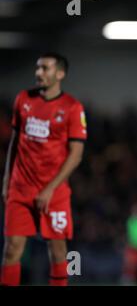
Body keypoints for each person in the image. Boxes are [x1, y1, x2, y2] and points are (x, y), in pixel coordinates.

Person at [1, 53, 87, 286]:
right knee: (11, 250)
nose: (39, 73)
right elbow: (15, 143)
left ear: (60, 74)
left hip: (55, 192)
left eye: (45, 68)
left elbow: (76, 155)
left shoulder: (72, 107)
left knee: (58, 251)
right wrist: (7, 179)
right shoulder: (23, 99)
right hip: (20, 188)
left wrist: (50, 189)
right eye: (38, 68)